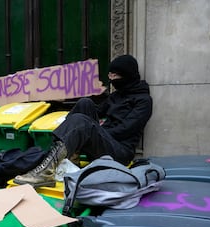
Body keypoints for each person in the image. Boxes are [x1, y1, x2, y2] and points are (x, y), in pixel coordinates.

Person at [14, 54, 153, 187]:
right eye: (110, 75)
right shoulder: (116, 96)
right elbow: (97, 112)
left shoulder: (144, 101)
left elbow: (127, 129)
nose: (111, 79)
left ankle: (45, 173)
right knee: (85, 103)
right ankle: (70, 156)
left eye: (115, 76)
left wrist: (95, 130)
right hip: (104, 142)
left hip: (120, 153)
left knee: (82, 122)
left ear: (127, 76)